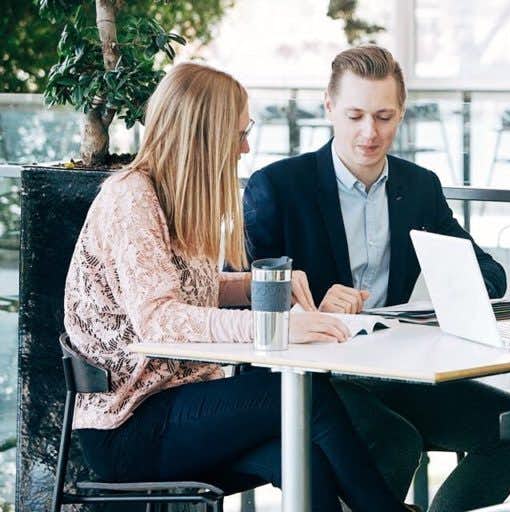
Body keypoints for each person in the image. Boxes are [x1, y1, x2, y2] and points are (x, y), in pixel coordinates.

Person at [63, 62, 417, 512]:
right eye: (238, 133)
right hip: (127, 426)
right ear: (203, 135)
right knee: (306, 398)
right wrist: (275, 328)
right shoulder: (131, 197)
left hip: (174, 409)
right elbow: (160, 319)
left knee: (302, 456)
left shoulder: (170, 197)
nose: (246, 147)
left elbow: (188, 289)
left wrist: (257, 286)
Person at [243, 45, 510, 512]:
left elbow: (490, 275)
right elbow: (244, 291)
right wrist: (310, 305)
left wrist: (450, 290)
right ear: (329, 107)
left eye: (384, 116)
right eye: (355, 115)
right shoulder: (279, 186)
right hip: (313, 378)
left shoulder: (417, 187)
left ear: (401, 113)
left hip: (394, 368)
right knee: (395, 442)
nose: (369, 132)